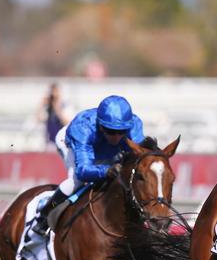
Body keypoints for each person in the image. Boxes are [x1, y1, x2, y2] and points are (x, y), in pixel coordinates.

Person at [31, 95, 145, 234]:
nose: (116, 137)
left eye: (121, 131)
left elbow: (142, 159)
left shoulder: (135, 127)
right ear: (100, 125)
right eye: (110, 131)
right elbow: (83, 171)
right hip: (71, 143)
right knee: (77, 182)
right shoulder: (83, 128)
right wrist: (106, 171)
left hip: (103, 149)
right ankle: (45, 214)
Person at [37, 82, 69, 150]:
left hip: (62, 141)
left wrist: (57, 109)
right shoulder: (48, 108)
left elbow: (67, 123)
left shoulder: (66, 105)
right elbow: (39, 119)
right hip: (50, 142)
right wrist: (41, 106)